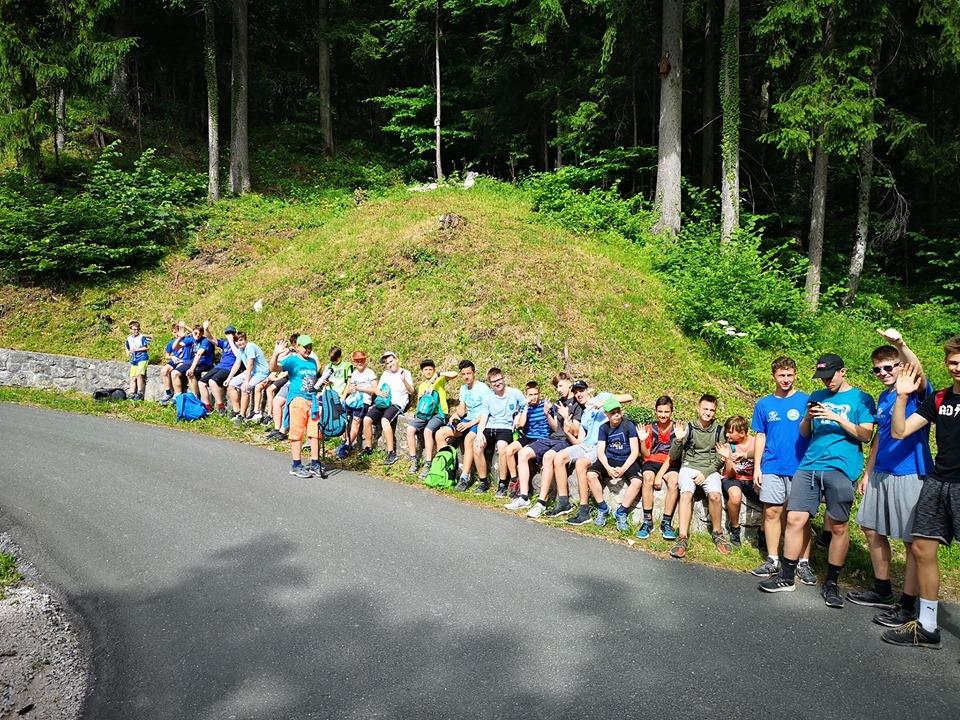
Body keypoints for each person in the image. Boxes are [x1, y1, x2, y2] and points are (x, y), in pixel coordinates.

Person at [759, 354, 876, 609]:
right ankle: (787, 576)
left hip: (841, 467)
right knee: (795, 518)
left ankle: (832, 582)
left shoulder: (861, 398)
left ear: (843, 372)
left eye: (830, 377)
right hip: (810, 464)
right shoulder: (816, 396)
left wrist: (836, 417)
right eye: (822, 378)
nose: (826, 382)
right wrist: (808, 418)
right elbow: (804, 432)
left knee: (838, 526)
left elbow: (866, 435)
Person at [848, 330, 933, 626]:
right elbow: (880, 438)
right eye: (877, 369)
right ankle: (882, 590)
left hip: (910, 473)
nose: (883, 373)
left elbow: (917, 371)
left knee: (912, 541)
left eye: (888, 367)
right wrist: (868, 472)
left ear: (900, 366)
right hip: (881, 472)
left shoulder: (916, 392)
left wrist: (901, 344)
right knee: (870, 527)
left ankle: (907, 605)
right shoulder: (884, 397)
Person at [880, 340, 960, 648]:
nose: (957, 368)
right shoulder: (940, 398)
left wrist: (900, 344)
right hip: (938, 482)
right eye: (953, 362)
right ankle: (927, 626)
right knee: (922, 548)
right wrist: (901, 397)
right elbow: (899, 431)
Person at [750, 356, 815, 584]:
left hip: (801, 468)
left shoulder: (807, 401)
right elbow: (760, 436)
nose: (786, 379)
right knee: (771, 513)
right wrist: (757, 467)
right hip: (772, 466)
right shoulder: (764, 404)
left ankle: (803, 563)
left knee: (801, 518)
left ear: (795, 375)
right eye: (781, 375)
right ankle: (773, 559)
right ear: (774, 376)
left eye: (789, 375)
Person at [666, 394, 729, 558]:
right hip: (689, 466)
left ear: (715, 411)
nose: (708, 413)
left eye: (711, 410)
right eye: (705, 409)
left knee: (715, 496)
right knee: (686, 493)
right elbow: (673, 456)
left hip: (710, 469)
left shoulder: (719, 431)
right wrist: (678, 440)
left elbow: (721, 458)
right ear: (698, 408)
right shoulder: (689, 427)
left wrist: (706, 473)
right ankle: (682, 537)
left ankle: (717, 533)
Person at [505, 375, 581, 511]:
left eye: (561, 386)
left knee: (548, 457)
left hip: (566, 440)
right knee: (522, 453)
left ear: (569, 384)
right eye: (557, 387)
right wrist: (547, 414)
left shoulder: (576, 403)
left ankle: (541, 502)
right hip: (552, 438)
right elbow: (555, 428)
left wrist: (566, 418)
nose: (558, 389)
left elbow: (575, 432)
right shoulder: (559, 402)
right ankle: (523, 497)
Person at [269, 335, 326, 478]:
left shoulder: (313, 362)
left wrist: (320, 382)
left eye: (310, 347)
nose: (308, 349)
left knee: (315, 433)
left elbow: (311, 380)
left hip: (312, 401)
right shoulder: (292, 360)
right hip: (298, 400)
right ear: (298, 347)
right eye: (305, 347)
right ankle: (296, 465)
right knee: (297, 432)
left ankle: (315, 463)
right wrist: (276, 353)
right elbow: (273, 368)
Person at [434, 360, 492, 490]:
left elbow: (487, 413)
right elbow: (462, 411)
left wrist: (469, 424)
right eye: (463, 374)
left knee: (469, 439)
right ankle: (446, 469)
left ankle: (465, 477)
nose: (466, 377)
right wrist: (455, 416)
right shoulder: (463, 389)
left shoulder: (483, 388)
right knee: (440, 434)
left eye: (469, 373)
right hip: (467, 419)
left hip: (480, 421)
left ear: (474, 373)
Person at [588, 398, 642, 531]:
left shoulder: (629, 425)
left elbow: (635, 451)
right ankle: (602, 508)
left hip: (627, 459)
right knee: (590, 475)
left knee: (637, 482)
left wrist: (623, 469)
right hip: (610, 458)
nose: (616, 415)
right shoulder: (603, 428)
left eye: (618, 411)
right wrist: (607, 467)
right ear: (606, 414)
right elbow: (600, 451)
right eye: (612, 413)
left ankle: (621, 511)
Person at [472, 367, 526, 495]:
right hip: (491, 427)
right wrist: (479, 433)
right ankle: (483, 481)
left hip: (506, 428)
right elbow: (484, 418)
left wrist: (518, 415)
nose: (497, 383)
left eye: (499, 380)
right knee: (477, 446)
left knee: (502, 447)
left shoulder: (515, 393)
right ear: (490, 384)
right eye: (494, 382)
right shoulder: (489, 398)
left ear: (503, 378)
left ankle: (502, 483)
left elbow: (525, 405)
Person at [633, 395, 680, 540]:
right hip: (652, 461)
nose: (663, 415)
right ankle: (647, 521)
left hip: (671, 462)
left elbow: (674, 455)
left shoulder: (677, 429)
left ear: (672, 412)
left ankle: (666, 522)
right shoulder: (650, 428)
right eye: (660, 411)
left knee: (674, 482)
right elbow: (646, 455)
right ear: (656, 411)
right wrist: (642, 441)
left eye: (666, 412)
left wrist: (660, 475)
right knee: (647, 478)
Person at [405, 360, 458, 477]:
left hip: (439, 414)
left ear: (434, 370)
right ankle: (414, 460)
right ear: (422, 372)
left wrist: (439, 374)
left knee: (428, 431)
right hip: (424, 415)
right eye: (425, 370)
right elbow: (420, 403)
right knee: (410, 429)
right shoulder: (422, 386)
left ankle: (428, 463)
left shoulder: (439, 380)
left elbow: (455, 374)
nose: (428, 372)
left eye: (430, 369)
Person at [501, 381, 551, 503]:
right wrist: (526, 407)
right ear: (526, 395)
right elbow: (522, 424)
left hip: (541, 438)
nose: (533, 397)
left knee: (523, 453)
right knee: (508, 450)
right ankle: (515, 480)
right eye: (530, 395)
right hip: (528, 436)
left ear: (539, 393)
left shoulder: (545, 405)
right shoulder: (525, 407)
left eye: (535, 394)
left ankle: (524, 491)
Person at [362, 351, 414, 465]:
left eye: (391, 361)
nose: (390, 364)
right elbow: (378, 389)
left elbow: (411, 391)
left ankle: (391, 453)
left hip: (396, 403)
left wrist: (403, 380)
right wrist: (380, 393)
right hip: (384, 402)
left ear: (397, 360)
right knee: (366, 419)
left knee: (385, 420)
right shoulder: (385, 374)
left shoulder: (405, 373)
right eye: (387, 363)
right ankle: (368, 448)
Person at [716, 415, 757, 548]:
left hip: (752, 479)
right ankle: (735, 528)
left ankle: (763, 532)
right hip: (733, 478)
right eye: (726, 431)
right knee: (735, 495)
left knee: (769, 498)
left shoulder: (756, 442)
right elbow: (730, 474)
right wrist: (728, 458)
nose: (727, 435)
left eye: (730, 432)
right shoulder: (728, 446)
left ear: (742, 433)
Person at [339, 350, 377, 456]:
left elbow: (375, 389)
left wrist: (361, 389)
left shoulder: (370, 373)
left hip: (363, 402)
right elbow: (349, 388)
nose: (359, 363)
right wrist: (349, 391)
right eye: (357, 361)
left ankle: (347, 445)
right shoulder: (354, 374)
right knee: (345, 421)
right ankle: (345, 441)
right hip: (352, 400)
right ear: (354, 362)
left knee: (356, 423)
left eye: (361, 360)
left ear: (365, 360)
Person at [228, 332, 271, 422]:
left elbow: (250, 364)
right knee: (231, 384)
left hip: (261, 372)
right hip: (252, 372)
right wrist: (229, 378)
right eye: (237, 341)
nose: (239, 343)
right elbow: (237, 364)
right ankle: (236, 411)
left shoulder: (250, 347)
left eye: (241, 340)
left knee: (245, 388)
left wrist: (246, 381)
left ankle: (242, 415)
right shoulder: (240, 349)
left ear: (245, 339)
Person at [198, 324, 239, 415]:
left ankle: (221, 407)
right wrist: (206, 329)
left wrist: (231, 341)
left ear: (235, 334)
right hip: (219, 366)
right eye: (227, 333)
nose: (229, 335)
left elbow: (238, 355)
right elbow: (211, 338)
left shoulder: (238, 343)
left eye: (231, 333)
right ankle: (207, 407)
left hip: (229, 368)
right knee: (201, 383)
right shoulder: (224, 343)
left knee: (212, 381)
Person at [159, 321, 186, 404]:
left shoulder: (186, 340)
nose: (176, 334)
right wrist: (172, 357)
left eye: (177, 332)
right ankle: (168, 392)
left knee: (174, 372)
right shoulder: (171, 343)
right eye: (174, 332)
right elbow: (166, 355)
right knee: (164, 371)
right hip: (175, 360)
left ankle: (177, 393)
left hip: (183, 360)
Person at [124, 321, 150, 400]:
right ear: (130, 330)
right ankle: (132, 393)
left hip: (142, 358)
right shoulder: (129, 338)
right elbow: (127, 346)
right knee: (133, 377)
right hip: (134, 359)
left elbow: (147, 347)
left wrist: (137, 349)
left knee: (139, 375)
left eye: (138, 329)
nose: (136, 331)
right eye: (134, 329)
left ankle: (140, 393)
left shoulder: (142, 337)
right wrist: (128, 352)